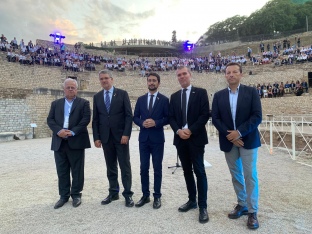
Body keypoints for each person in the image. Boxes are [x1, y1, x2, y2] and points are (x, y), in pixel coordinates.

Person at [211, 62, 262, 230]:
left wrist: (239, 132)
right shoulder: (218, 96)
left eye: (234, 72)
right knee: (235, 175)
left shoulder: (251, 92)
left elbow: (257, 116)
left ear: (241, 74)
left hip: (247, 139)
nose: (231, 74)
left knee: (250, 175)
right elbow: (215, 118)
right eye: (228, 72)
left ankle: (253, 211)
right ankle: (242, 204)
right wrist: (230, 135)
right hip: (229, 141)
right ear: (225, 75)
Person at [169, 66, 210, 223]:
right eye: (179, 75)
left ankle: (203, 206)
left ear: (190, 75)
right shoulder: (174, 96)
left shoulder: (200, 93)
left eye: (184, 73)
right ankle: (192, 200)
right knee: (187, 171)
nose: (182, 76)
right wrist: (178, 131)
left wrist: (190, 130)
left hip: (196, 138)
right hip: (180, 139)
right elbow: (171, 117)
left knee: (199, 171)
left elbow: (204, 114)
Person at [92, 69, 134, 207]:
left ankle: (128, 194)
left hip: (121, 137)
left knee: (124, 166)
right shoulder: (97, 97)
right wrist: (96, 137)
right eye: (101, 79)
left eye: (106, 78)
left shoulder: (122, 94)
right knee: (110, 167)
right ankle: (113, 192)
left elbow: (129, 116)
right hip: (106, 138)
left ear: (112, 79)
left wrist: (126, 134)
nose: (104, 81)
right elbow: (96, 119)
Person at [47, 78, 91, 209]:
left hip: (75, 140)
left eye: (73, 87)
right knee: (62, 170)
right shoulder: (56, 104)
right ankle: (63, 196)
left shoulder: (84, 103)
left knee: (77, 170)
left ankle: (76, 194)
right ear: (64, 89)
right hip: (59, 141)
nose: (70, 89)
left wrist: (72, 132)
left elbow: (85, 119)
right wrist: (59, 131)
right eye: (68, 87)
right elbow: (50, 120)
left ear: (77, 89)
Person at [133, 72, 169, 209]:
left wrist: (156, 123)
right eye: (149, 80)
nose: (151, 83)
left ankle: (157, 196)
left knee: (157, 168)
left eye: (154, 80)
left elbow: (168, 118)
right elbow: (135, 117)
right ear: (147, 82)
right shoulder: (141, 99)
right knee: (143, 168)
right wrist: (142, 123)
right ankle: (145, 195)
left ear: (158, 83)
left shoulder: (164, 100)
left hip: (157, 139)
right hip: (143, 139)